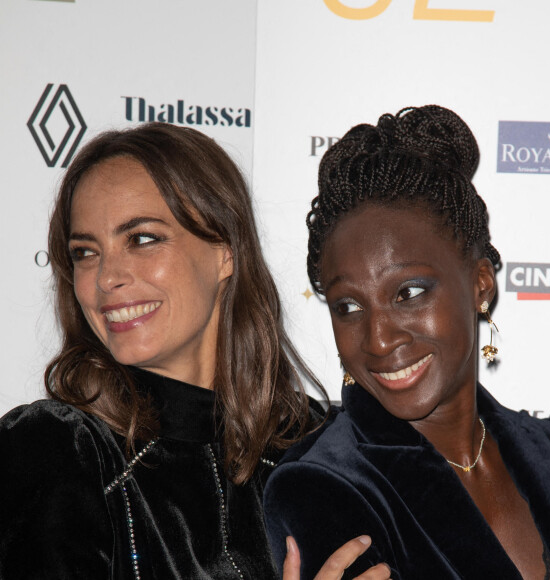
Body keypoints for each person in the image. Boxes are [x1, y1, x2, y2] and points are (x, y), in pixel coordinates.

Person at [0, 123, 390, 579]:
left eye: (142, 239)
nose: (106, 277)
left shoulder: (323, 447)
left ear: (224, 250)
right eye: (85, 252)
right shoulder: (58, 450)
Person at [263, 106, 550, 579]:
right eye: (348, 306)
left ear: (480, 284)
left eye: (409, 293)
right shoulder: (320, 485)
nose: (378, 338)